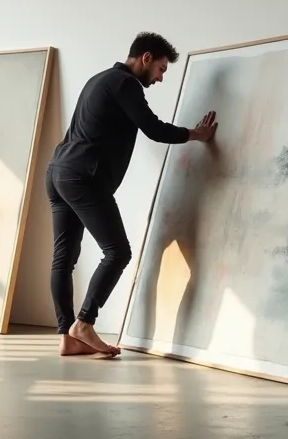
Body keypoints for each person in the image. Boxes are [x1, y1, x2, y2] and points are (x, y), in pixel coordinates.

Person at [46, 32, 217, 357]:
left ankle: (67, 337)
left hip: (58, 172)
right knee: (118, 251)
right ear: (146, 58)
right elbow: (152, 128)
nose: (161, 77)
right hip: (83, 176)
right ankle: (84, 323)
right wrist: (197, 134)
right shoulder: (126, 84)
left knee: (63, 258)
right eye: (161, 69)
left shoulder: (100, 79)